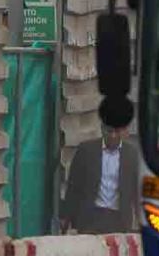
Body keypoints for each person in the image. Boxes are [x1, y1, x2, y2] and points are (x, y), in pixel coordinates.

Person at [60, 96, 141, 234]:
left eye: (117, 131)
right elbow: (74, 187)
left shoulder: (132, 155)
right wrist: (66, 219)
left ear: (123, 131)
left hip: (119, 220)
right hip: (91, 219)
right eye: (109, 131)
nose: (113, 136)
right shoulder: (86, 151)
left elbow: (136, 191)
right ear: (102, 129)